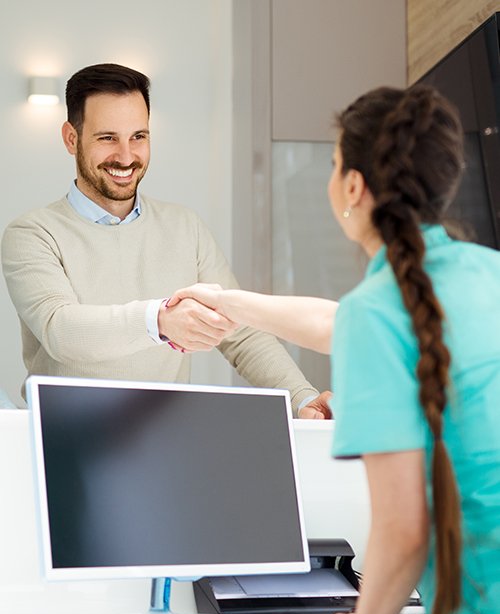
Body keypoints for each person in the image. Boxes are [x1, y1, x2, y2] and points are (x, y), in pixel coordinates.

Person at [170, 85, 500, 614]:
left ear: (352, 186)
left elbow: (402, 529)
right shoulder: (484, 272)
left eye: (332, 163)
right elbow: (339, 322)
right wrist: (230, 302)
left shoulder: (379, 314)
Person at [0, 62, 331, 418]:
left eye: (138, 136)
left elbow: (241, 333)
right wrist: (158, 320)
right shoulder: (33, 233)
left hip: (164, 440)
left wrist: (301, 398)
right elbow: (61, 330)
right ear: (71, 138)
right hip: (64, 441)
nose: (126, 157)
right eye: (108, 137)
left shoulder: (185, 227)